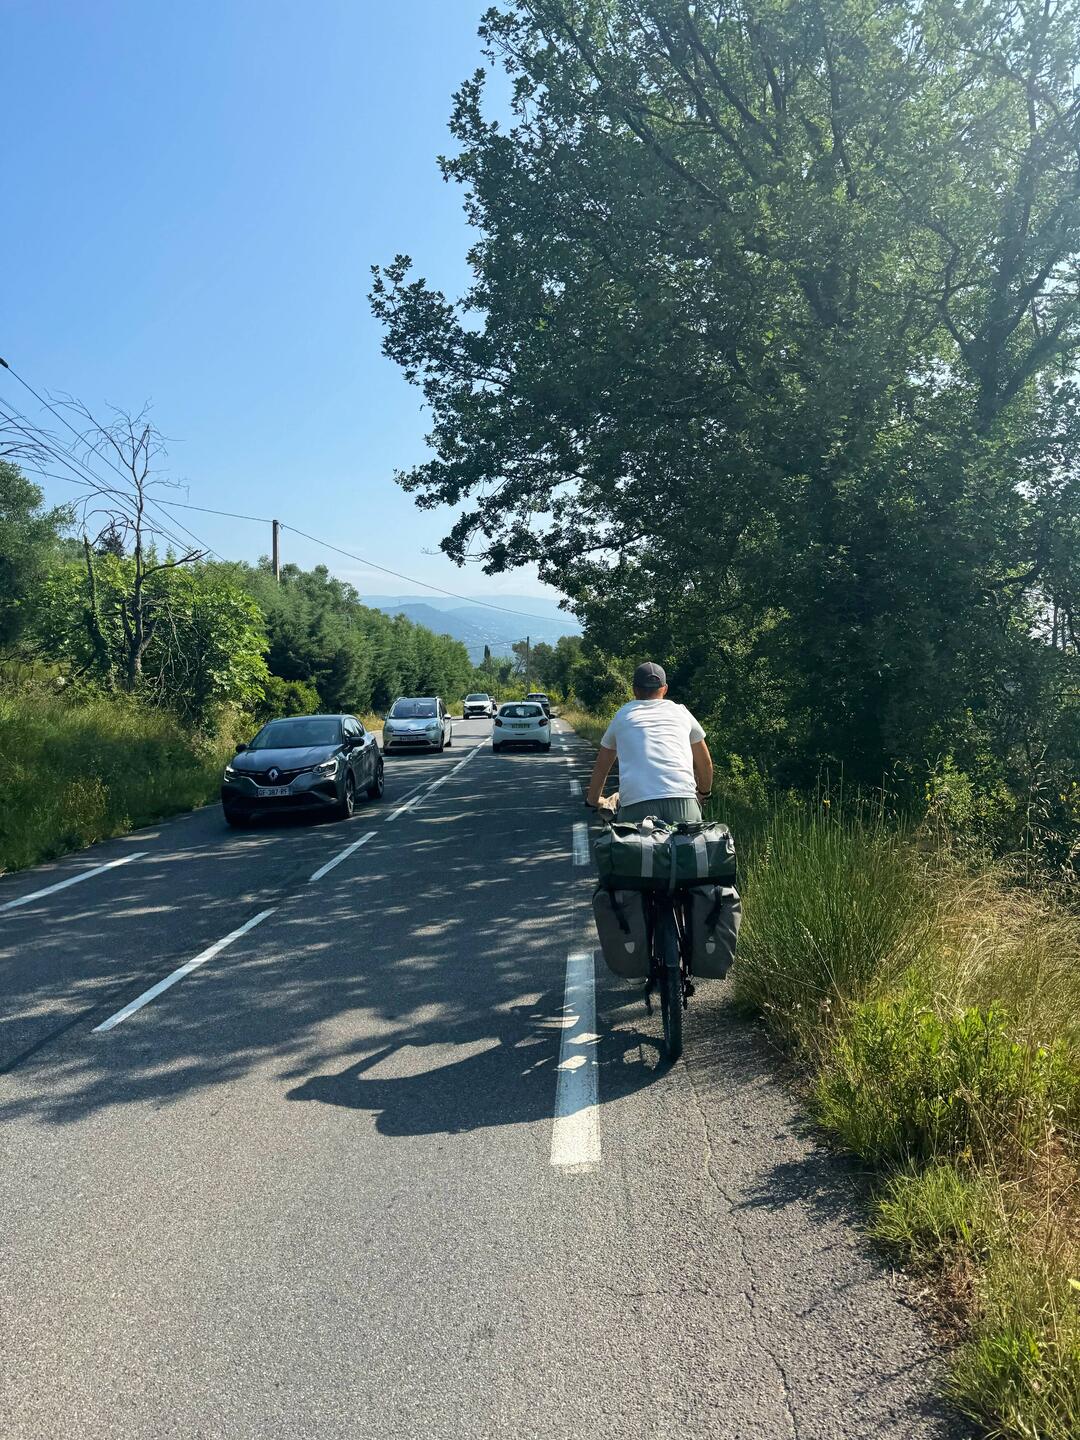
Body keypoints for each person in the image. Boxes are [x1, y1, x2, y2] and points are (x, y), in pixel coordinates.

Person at [584, 662, 713, 824]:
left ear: (634, 690)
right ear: (665, 689)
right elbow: (705, 763)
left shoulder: (623, 716)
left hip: (637, 802)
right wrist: (703, 793)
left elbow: (602, 765)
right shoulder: (682, 712)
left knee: (631, 846)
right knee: (690, 846)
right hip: (683, 798)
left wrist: (594, 800)